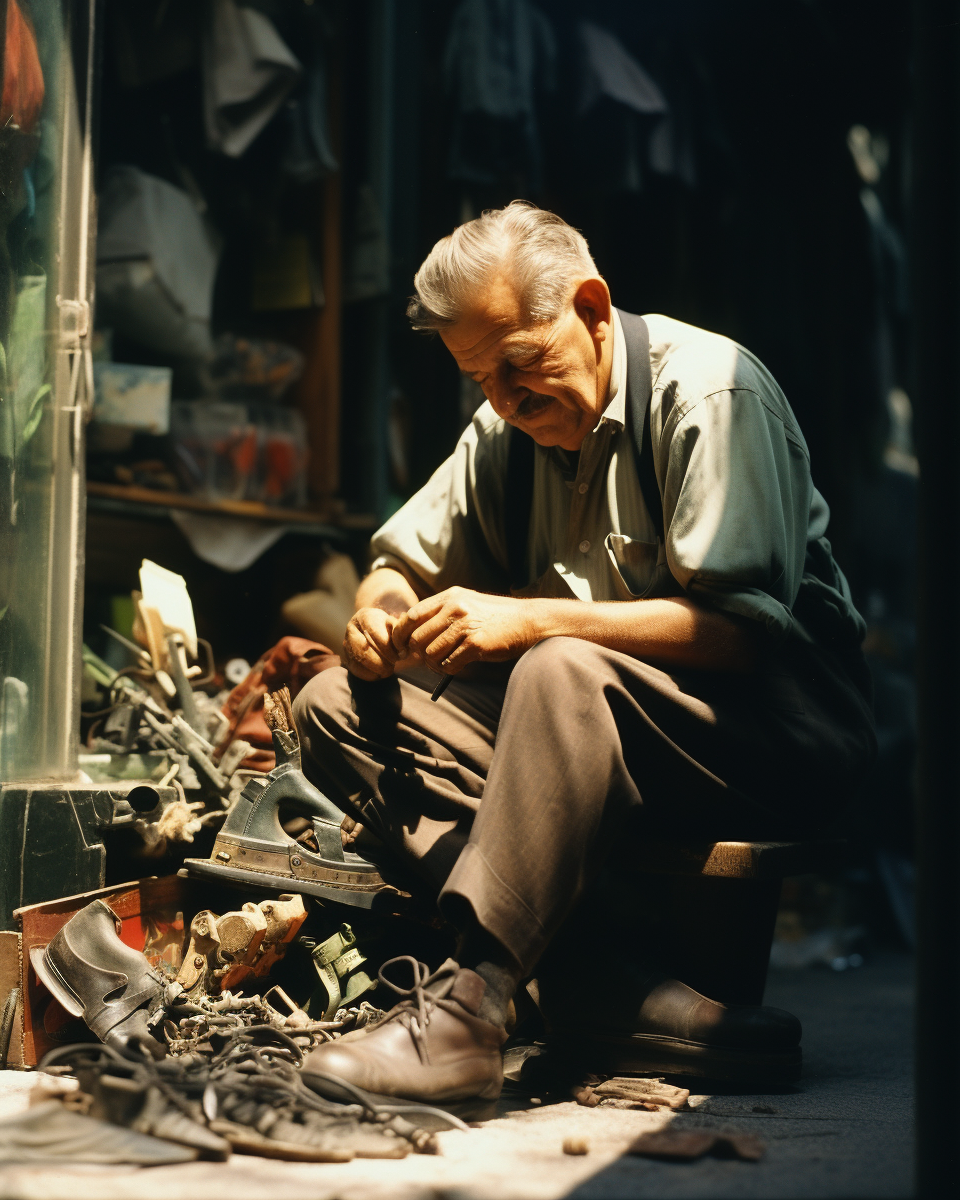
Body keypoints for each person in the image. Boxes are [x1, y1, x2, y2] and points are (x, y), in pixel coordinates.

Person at [296, 201, 876, 1116]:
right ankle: (604, 990)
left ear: (594, 310)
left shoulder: (710, 390)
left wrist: (528, 624)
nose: (506, 403)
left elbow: (743, 633)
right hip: (604, 730)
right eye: (479, 379)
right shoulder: (506, 430)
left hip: (776, 731)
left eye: (520, 367)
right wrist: (380, 621)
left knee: (558, 665)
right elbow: (396, 564)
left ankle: (470, 1005)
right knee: (333, 701)